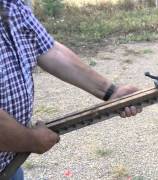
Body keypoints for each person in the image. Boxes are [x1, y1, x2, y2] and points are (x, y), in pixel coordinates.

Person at [0, 1, 142, 179]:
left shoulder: (10, 4)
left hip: (8, 166)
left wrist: (110, 91)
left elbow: (49, 50)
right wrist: (30, 140)